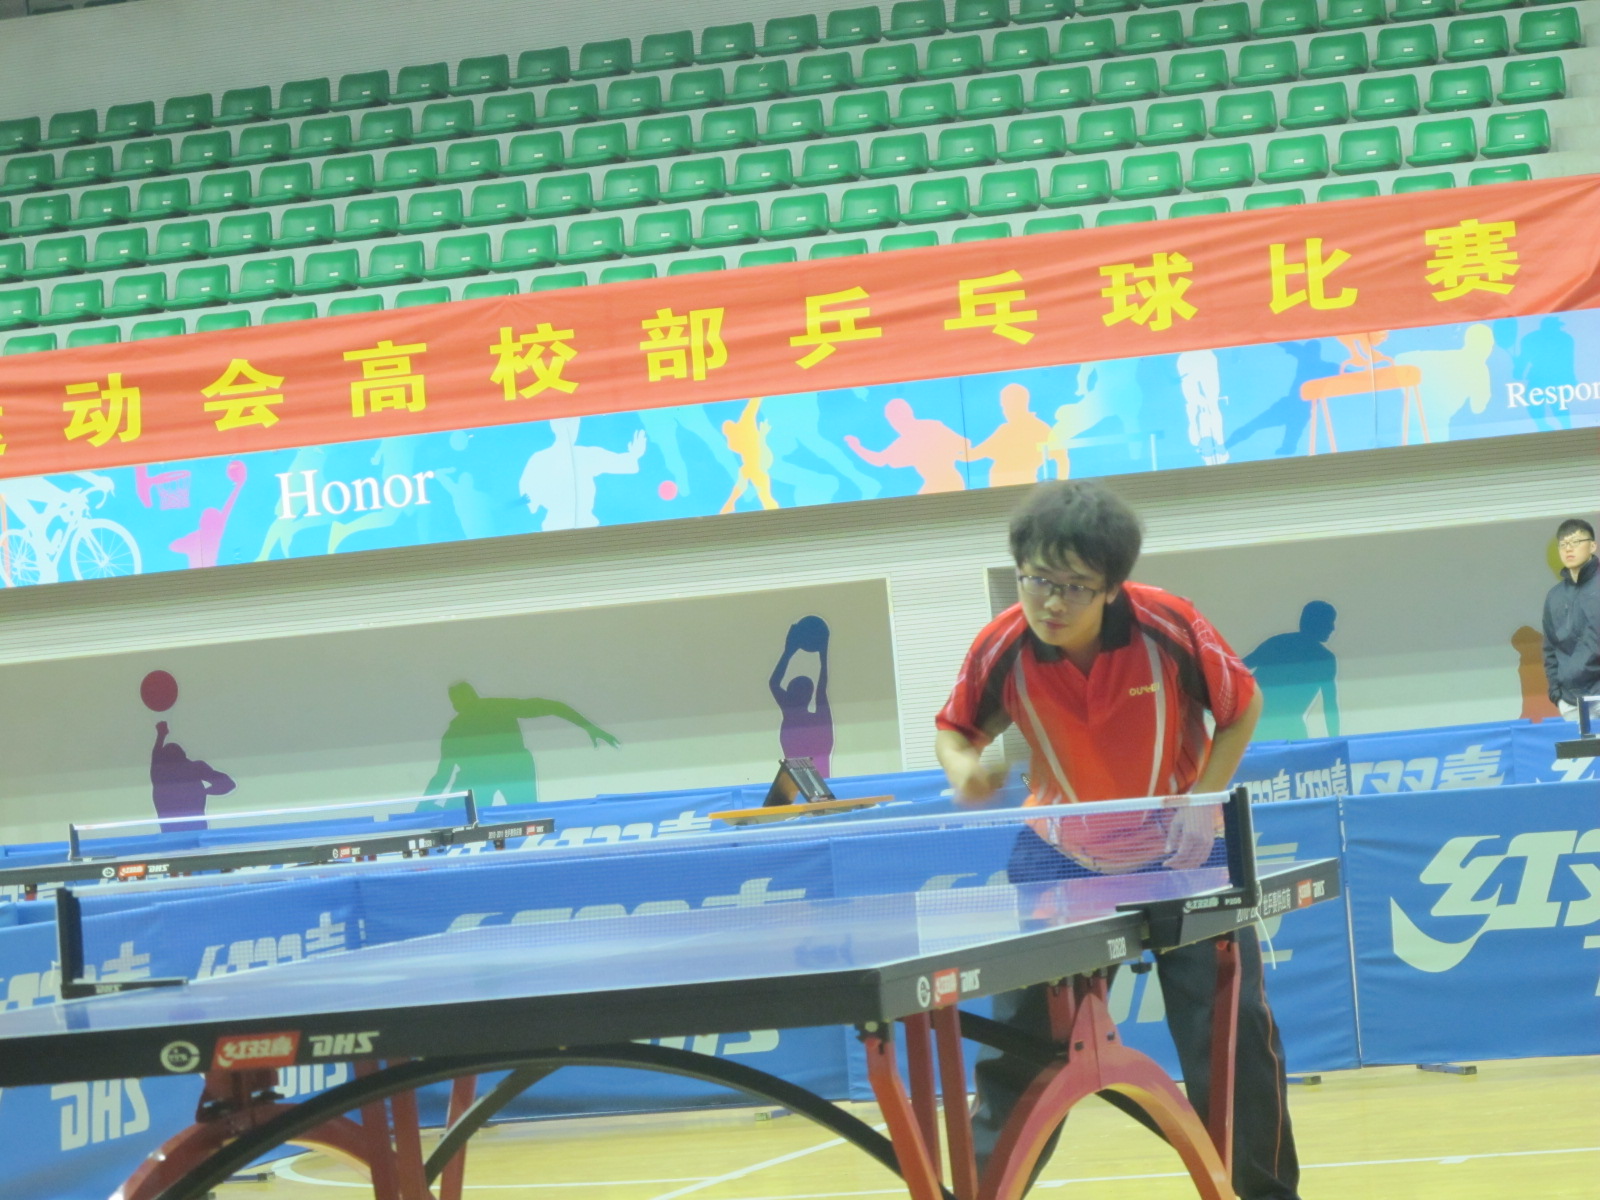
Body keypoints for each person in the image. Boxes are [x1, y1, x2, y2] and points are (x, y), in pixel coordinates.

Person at [934, 480, 1298, 1200]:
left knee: (1232, 1045)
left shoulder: (1168, 625)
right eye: (1037, 579)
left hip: (1186, 854)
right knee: (1024, 1057)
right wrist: (964, 768)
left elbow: (1243, 704)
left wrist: (1204, 798)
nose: (1051, 602)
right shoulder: (1003, 643)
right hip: (1060, 858)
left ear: (1110, 588)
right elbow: (955, 729)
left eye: (1074, 586)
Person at [1542, 518, 1599, 722]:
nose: (1568, 549)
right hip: (1571, 702)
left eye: (1575, 542)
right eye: (1563, 544)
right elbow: (1550, 649)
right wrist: (1556, 695)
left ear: (1592, 546)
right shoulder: (1554, 596)